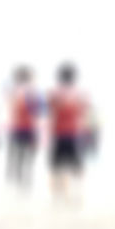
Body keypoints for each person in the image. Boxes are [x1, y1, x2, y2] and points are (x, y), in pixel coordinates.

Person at [47, 62, 88, 200]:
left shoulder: (53, 94)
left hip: (58, 134)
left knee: (56, 167)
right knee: (76, 166)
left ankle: (58, 194)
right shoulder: (80, 94)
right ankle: (77, 193)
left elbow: (49, 111)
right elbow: (84, 112)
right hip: (73, 134)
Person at [6, 65, 40, 187]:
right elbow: (37, 111)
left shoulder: (13, 91)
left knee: (18, 155)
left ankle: (18, 179)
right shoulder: (31, 92)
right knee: (27, 156)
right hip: (27, 128)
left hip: (17, 127)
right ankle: (24, 179)